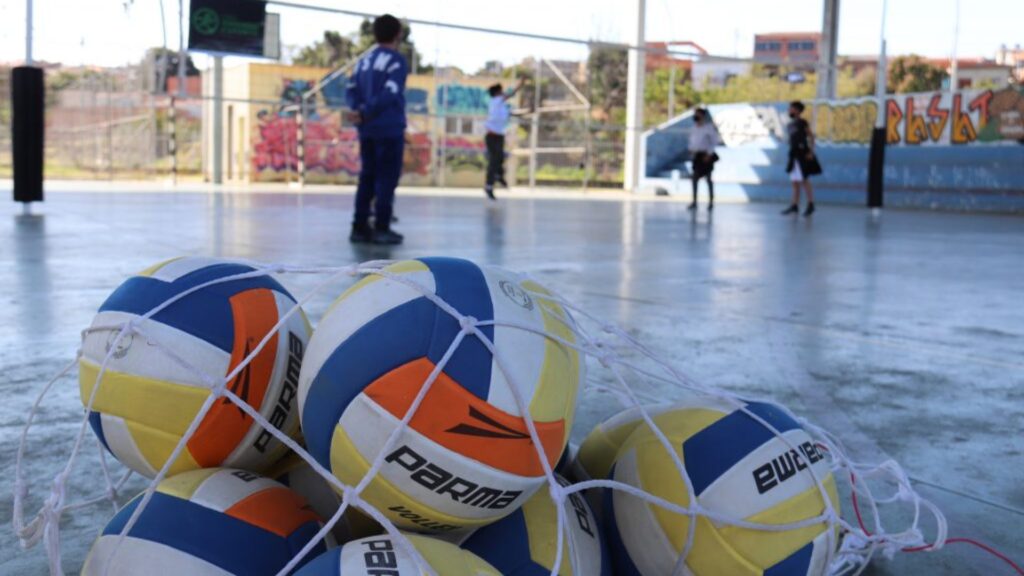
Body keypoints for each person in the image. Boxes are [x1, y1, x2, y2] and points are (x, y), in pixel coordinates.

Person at [345, 14, 408, 245]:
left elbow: (350, 88)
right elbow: (390, 93)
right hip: (388, 129)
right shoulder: (396, 61)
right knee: (386, 179)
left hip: (367, 130)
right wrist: (367, 111)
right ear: (398, 34)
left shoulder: (363, 61)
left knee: (367, 177)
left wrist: (357, 111)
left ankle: (359, 227)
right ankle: (382, 227)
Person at [484, 78, 525, 199]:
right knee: (494, 161)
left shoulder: (501, 107)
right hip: (492, 136)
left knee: (500, 158)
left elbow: (514, 113)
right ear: (497, 93)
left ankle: (498, 175)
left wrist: (530, 111)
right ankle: (489, 185)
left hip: (499, 136)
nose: (503, 93)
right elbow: (511, 93)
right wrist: (520, 85)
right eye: (501, 91)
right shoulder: (496, 101)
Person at [781, 100, 821, 217]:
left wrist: (811, 152)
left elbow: (811, 136)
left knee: (804, 179)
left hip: (802, 153)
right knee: (794, 181)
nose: (789, 110)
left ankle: (811, 204)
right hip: (793, 154)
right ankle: (795, 205)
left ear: (797, 110)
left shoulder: (803, 122)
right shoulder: (790, 124)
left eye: (791, 108)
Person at [687, 107, 720, 211]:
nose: (696, 116)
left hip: (706, 156)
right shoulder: (694, 128)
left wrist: (709, 154)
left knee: (708, 179)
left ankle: (711, 202)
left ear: (702, 115)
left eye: (697, 114)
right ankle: (694, 201)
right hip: (697, 156)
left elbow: (714, 141)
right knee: (694, 178)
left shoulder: (708, 128)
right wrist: (691, 150)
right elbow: (692, 142)